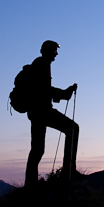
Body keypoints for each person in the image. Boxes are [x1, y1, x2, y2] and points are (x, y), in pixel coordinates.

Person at [24, 40, 79, 186]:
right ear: (48, 51)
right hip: (42, 112)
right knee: (73, 128)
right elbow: (44, 90)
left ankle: (30, 185)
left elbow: (42, 90)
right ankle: (69, 171)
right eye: (55, 50)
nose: (57, 53)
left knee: (37, 149)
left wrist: (62, 94)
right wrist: (65, 94)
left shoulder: (40, 64)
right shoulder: (42, 64)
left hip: (36, 112)